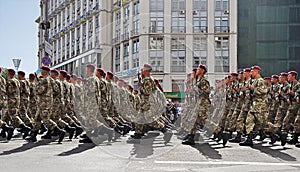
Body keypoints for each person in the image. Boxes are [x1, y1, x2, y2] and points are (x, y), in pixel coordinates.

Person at [182, 64, 211, 145]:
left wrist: (196, 89)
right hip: (198, 103)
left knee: (205, 121)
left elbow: (207, 92)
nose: (197, 70)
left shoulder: (203, 81)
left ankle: (219, 131)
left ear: (202, 71)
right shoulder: (198, 81)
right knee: (194, 120)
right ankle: (190, 136)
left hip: (203, 104)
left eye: (198, 69)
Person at [240, 66, 268, 146]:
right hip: (253, 104)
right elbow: (248, 89)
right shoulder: (253, 81)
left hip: (260, 105)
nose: (251, 73)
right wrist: (248, 93)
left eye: (252, 72)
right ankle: (249, 139)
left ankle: (276, 133)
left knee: (262, 123)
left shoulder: (261, 81)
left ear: (257, 72)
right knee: (249, 121)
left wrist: (253, 88)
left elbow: (264, 91)